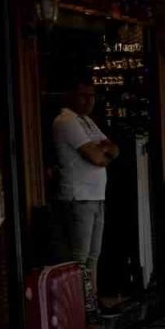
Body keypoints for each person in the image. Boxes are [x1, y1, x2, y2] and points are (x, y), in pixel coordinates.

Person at [52, 82, 118, 292]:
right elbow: (97, 157)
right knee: (79, 258)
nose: (89, 100)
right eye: (83, 95)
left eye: (92, 95)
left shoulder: (87, 121)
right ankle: (79, 302)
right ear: (71, 95)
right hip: (78, 197)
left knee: (93, 255)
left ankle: (90, 301)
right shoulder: (66, 121)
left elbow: (114, 149)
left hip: (96, 196)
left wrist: (104, 151)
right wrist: (102, 152)